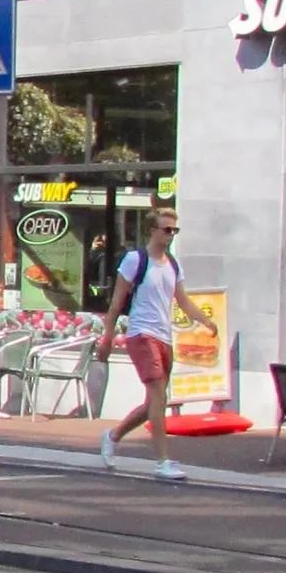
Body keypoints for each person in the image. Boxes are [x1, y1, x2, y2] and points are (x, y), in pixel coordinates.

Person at [98, 207, 202, 484]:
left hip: (164, 336)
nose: (171, 234)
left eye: (174, 230)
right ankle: (162, 461)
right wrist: (107, 337)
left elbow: (183, 301)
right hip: (141, 334)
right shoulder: (135, 259)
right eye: (166, 229)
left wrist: (205, 320)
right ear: (152, 231)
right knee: (158, 395)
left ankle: (113, 436)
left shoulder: (173, 264)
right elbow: (117, 301)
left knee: (153, 402)